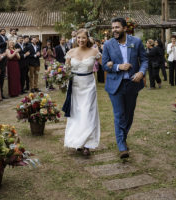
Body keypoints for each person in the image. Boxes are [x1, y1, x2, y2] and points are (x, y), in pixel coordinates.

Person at [102, 17, 148, 159]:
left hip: (132, 84)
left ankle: (123, 137)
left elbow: (145, 60)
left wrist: (141, 72)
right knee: (119, 115)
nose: (114, 30)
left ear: (125, 28)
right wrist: (118, 66)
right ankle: (122, 146)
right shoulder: (108, 45)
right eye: (113, 28)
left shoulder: (136, 42)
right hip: (115, 85)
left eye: (117, 27)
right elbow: (104, 65)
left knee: (129, 115)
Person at [62, 28, 101, 156]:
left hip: (89, 85)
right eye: (79, 38)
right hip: (75, 85)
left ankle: (87, 144)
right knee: (77, 113)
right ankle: (77, 141)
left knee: (87, 113)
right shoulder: (70, 52)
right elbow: (65, 69)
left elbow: (105, 65)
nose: (81, 40)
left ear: (88, 38)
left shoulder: (95, 52)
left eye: (83, 38)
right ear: (75, 39)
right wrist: (58, 75)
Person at [0, 29, 8, 99]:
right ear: (0, 32)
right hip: (0, 56)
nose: (4, 32)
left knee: (3, 77)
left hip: (5, 57)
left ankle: (2, 93)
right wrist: (5, 42)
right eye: (2, 31)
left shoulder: (6, 37)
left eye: (4, 31)